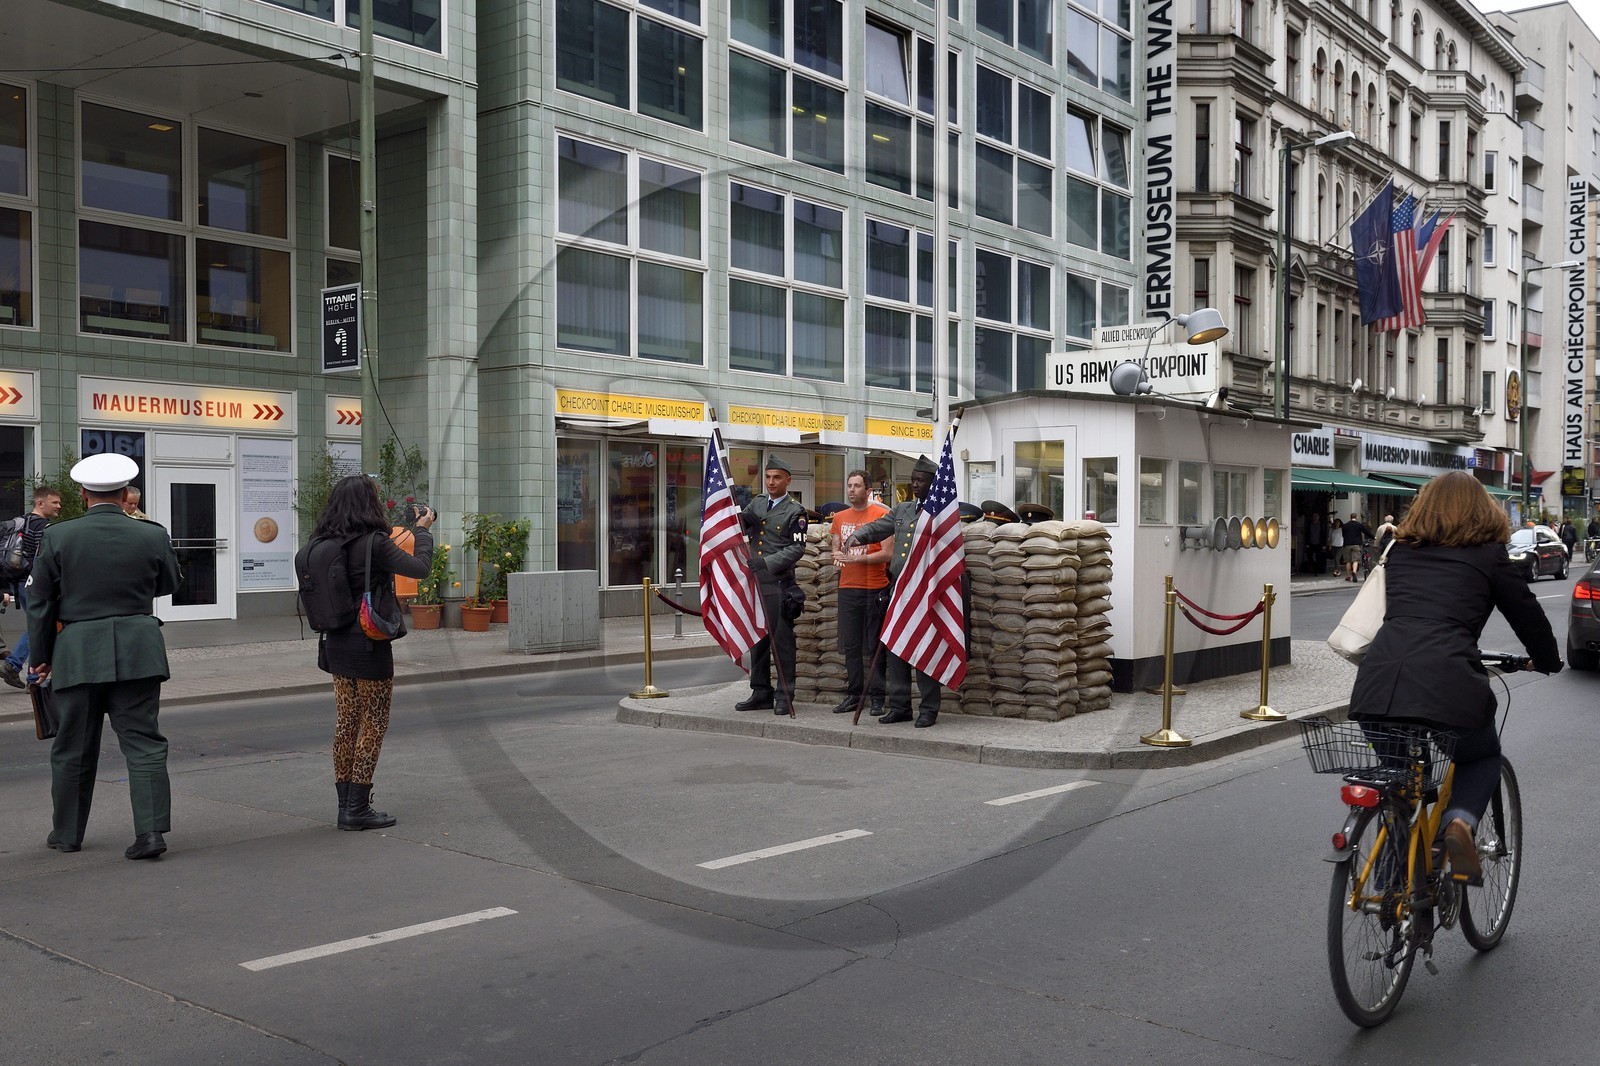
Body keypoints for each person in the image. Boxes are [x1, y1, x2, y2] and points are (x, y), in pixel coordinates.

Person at [1348, 471, 1561, 885]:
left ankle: (1392, 896)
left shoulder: (1401, 550)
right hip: (1449, 684)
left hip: (1378, 683)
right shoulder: (1488, 554)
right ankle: (1459, 822)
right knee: (1481, 757)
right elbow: (1527, 614)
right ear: (1483, 510)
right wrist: (1546, 660)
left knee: (1401, 784)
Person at [25, 455, 181, 859]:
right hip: (138, 649)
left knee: (73, 746)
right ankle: (150, 834)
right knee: (144, 743)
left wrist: (41, 657)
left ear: (82, 494)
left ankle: (67, 834)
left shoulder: (60, 536)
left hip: (77, 652)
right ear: (126, 493)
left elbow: (40, 602)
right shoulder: (151, 534)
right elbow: (167, 583)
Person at [311, 476, 434, 830]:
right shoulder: (374, 543)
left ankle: (344, 805)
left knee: (347, 722)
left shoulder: (323, 540)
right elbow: (420, 568)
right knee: (374, 723)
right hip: (369, 642)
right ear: (369, 504)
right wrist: (422, 529)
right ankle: (358, 807)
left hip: (335, 642)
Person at [846, 456, 944, 728]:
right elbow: (880, 526)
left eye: (921, 480)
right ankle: (901, 707)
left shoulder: (940, 514)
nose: (915, 484)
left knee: (924, 650)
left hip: (925, 591)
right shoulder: (903, 510)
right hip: (899, 589)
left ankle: (928, 709)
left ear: (933, 484)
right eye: (912, 479)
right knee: (896, 651)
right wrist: (859, 535)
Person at [734, 456, 808, 715]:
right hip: (756, 584)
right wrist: (735, 514)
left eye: (777, 477)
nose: (771, 482)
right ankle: (760, 691)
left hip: (778, 584)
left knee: (783, 642)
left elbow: (797, 547)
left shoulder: (795, 511)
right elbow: (741, 526)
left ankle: (785, 696)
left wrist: (766, 563)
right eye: (767, 477)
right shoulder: (757, 503)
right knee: (759, 640)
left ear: (788, 480)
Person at [829, 470, 890, 717]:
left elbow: (887, 554)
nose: (852, 490)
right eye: (849, 485)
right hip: (847, 589)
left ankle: (878, 698)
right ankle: (854, 695)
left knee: (875, 644)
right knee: (851, 645)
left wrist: (856, 559)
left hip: (874, 587)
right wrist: (837, 555)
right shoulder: (840, 517)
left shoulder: (881, 515)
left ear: (868, 490)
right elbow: (835, 546)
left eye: (857, 486)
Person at [2, 486, 64, 690]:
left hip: (20, 582)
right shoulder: (42, 526)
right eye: (54, 502)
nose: (59, 506)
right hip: (35, 583)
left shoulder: (23, 520)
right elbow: (43, 559)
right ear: (40, 503)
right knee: (41, 627)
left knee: (37, 626)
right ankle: (24, 672)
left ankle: (18, 668)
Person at [1341, 512, 1372, 582]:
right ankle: (1354, 572)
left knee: (1348, 561)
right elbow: (1366, 532)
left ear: (1350, 517)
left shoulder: (1345, 525)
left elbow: (1343, 534)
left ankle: (1348, 576)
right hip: (1356, 545)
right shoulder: (1359, 525)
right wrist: (1373, 537)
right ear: (1356, 517)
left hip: (1347, 545)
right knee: (1355, 560)